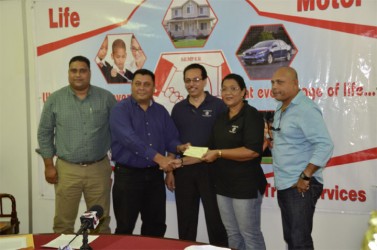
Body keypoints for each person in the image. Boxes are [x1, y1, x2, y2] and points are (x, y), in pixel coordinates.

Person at [37, 55, 117, 234]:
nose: (78, 75)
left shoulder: (106, 98)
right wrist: (48, 166)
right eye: (74, 71)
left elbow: (119, 131)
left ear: (89, 73)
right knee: (63, 223)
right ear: (68, 73)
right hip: (67, 170)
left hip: (98, 170)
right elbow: (44, 133)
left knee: (99, 223)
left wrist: (113, 165)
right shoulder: (55, 100)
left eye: (82, 70)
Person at [109, 68, 185, 237]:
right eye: (137, 84)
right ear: (131, 86)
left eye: (146, 84)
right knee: (125, 227)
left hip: (154, 177)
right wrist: (160, 158)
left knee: (155, 227)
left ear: (153, 88)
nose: (141, 88)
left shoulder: (161, 111)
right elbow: (130, 140)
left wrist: (179, 148)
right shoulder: (119, 110)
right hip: (128, 177)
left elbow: (171, 138)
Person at [270, 66, 334, 250]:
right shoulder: (280, 108)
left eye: (280, 82)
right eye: (273, 82)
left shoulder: (305, 109)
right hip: (285, 184)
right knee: (292, 239)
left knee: (299, 241)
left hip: (300, 186)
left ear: (295, 84)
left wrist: (305, 176)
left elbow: (325, 144)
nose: (274, 86)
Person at [202, 73, 267, 250]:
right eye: (224, 89)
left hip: (245, 186)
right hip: (223, 186)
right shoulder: (221, 117)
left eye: (233, 89)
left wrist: (220, 153)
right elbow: (210, 150)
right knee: (232, 232)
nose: (228, 93)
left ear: (243, 92)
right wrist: (181, 155)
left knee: (250, 234)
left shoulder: (251, 115)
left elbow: (252, 151)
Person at [165, 63, 228, 247]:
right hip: (183, 172)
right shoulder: (178, 109)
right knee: (185, 222)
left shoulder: (219, 106)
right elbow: (172, 141)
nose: (192, 84)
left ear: (205, 81)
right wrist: (169, 171)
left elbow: (222, 142)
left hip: (212, 171)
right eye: (187, 80)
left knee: (216, 222)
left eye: (196, 80)